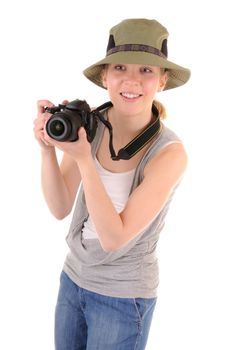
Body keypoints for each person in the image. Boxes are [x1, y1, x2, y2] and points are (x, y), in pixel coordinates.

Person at [34, 18, 190, 350]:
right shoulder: (89, 125)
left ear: (162, 81)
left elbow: (114, 238)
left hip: (123, 297)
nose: (131, 80)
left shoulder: (169, 154)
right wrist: (48, 151)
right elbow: (60, 207)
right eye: (120, 67)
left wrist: (84, 160)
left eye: (146, 70)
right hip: (73, 279)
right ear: (105, 76)